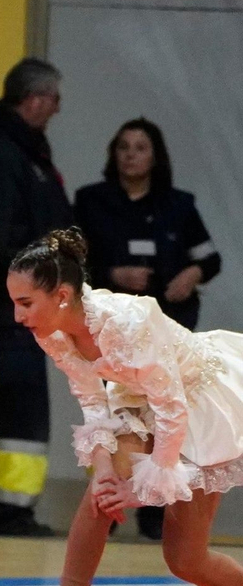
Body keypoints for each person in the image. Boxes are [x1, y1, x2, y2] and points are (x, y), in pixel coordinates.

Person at [7, 227, 243, 586]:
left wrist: (142, 488)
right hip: (138, 399)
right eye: (15, 302)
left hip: (197, 403)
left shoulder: (128, 323)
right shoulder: (54, 332)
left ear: (63, 295)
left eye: (26, 302)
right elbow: (94, 404)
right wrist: (107, 468)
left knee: (186, 560)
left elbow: (173, 406)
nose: (18, 316)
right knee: (100, 491)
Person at [75, 118, 221, 539]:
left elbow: (210, 258)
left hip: (170, 327)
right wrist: (112, 273)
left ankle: (157, 510)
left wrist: (191, 274)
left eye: (140, 147)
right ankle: (109, 503)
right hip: (114, 332)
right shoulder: (92, 201)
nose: (131, 155)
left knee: (166, 414)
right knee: (116, 415)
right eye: (123, 147)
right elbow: (74, 264)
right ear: (113, 154)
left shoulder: (178, 204)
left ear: (155, 155)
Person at [0, 57, 73, 537]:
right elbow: (4, 240)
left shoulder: (24, 150)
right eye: (54, 99)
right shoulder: (6, 154)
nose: (57, 109)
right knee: (25, 404)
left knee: (8, 400)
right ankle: (10, 511)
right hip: (17, 303)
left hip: (25, 301)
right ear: (34, 99)